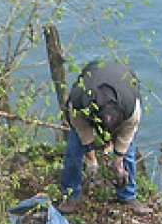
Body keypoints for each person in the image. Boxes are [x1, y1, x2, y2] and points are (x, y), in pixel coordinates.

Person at [58, 61, 141, 212]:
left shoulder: (130, 107)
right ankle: (70, 195)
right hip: (89, 95)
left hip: (123, 83)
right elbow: (81, 127)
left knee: (127, 154)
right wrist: (91, 159)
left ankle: (127, 195)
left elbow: (127, 132)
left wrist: (118, 161)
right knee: (74, 150)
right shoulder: (80, 100)